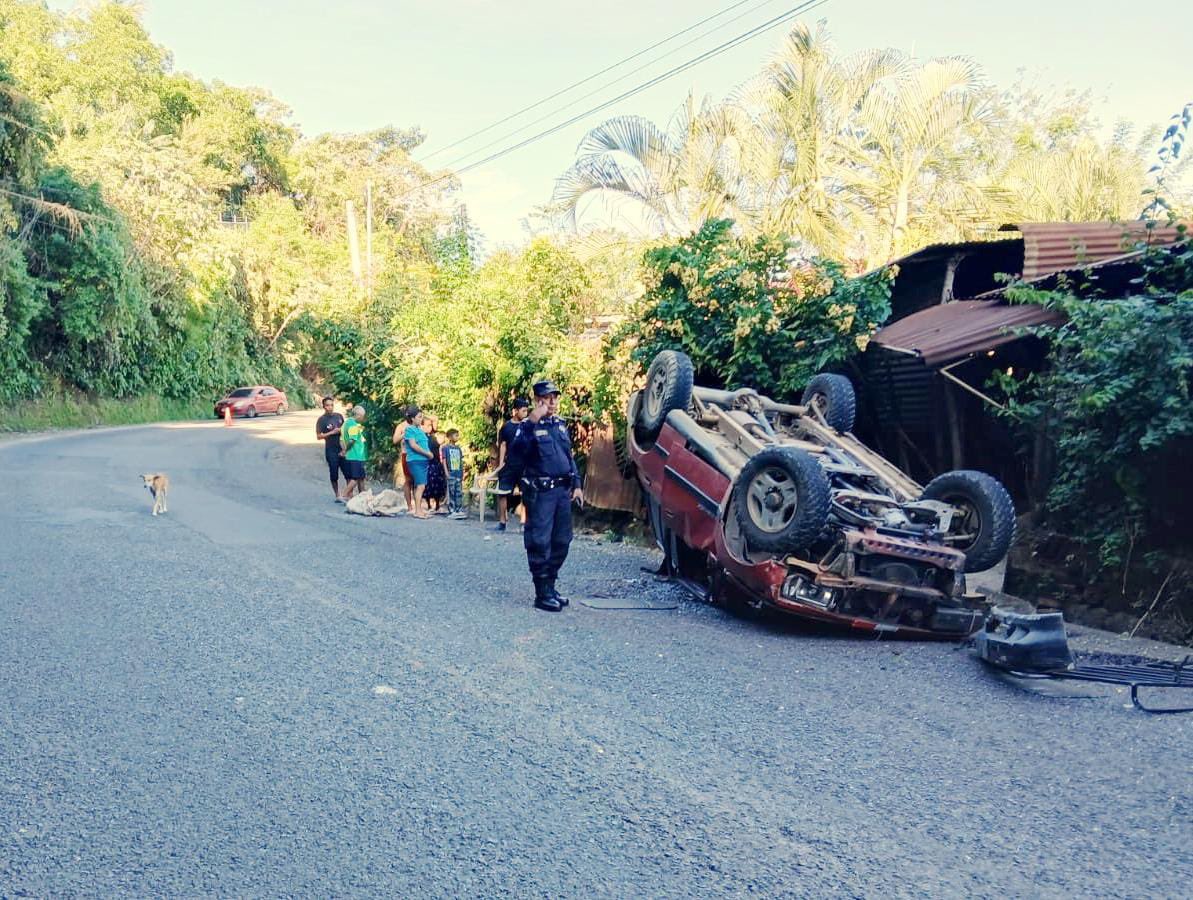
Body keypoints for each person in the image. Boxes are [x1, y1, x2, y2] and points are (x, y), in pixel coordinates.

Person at [505, 380, 583, 612]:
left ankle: (550, 585)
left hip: (562, 492)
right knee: (540, 541)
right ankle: (542, 593)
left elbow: (569, 458)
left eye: (555, 397)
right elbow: (516, 453)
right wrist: (531, 422)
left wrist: (577, 484)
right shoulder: (526, 427)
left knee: (562, 541)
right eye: (548, 398)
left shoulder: (559, 425)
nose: (552, 402)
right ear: (537, 400)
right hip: (541, 493)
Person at [494, 397, 529, 532]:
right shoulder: (506, 427)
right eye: (523, 411)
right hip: (509, 465)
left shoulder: (527, 426)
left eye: (527, 411)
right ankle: (502, 521)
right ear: (515, 411)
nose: (525, 413)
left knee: (525, 493)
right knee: (503, 493)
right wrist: (501, 463)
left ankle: (524, 522)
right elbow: (503, 445)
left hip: (524, 465)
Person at [403, 410, 435, 519]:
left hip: (422, 461)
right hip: (415, 460)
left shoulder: (419, 430)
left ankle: (419, 509)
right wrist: (427, 453)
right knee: (421, 486)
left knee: (420, 485)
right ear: (412, 418)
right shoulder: (409, 429)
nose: (421, 419)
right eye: (419, 417)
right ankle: (417, 511)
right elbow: (413, 445)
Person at [315, 396, 347, 501]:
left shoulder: (339, 416)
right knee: (334, 473)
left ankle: (348, 494)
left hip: (342, 448)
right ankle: (337, 494)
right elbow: (319, 436)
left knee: (348, 472)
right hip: (331, 450)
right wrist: (331, 433)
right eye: (327, 405)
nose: (330, 407)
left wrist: (341, 431)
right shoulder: (321, 420)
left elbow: (345, 429)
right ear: (324, 406)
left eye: (332, 405)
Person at [340, 405, 368, 499]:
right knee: (355, 479)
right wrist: (345, 450)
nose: (363, 419)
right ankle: (343, 495)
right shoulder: (353, 425)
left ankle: (362, 497)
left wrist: (344, 450)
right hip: (356, 455)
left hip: (353, 456)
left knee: (361, 478)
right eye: (363, 416)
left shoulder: (346, 423)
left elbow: (341, 439)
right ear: (359, 415)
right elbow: (352, 440)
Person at [393, 406, 418, 511]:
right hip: (406, 454)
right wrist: (404, 434)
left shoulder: (418, 426)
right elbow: (395, 440)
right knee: (408, 480)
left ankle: (418, 506)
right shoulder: (402, 426)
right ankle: (409, 506)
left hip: (417, 455)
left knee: (418, 481)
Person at [423, 416, 447, 514]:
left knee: (438, 483)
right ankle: (428, 504)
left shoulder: (434, 436)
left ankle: (437, 504)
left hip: (436, 463)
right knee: (427, 484)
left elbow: (435, 419)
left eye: (430, 425)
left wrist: (428, 417)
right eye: (428, 425)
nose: (430, 427)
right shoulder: (421, 436)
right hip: (427, 463)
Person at [442, 428, 466, 519]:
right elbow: (444, 461)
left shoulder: (459, 449)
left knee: (459, 492)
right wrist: (446, 472)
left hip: (458, 473)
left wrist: (462, 472)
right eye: (456, 435)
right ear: (450, 437)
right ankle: (451, 510)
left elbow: (460, 461)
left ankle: (458, 509)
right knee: (451, 491)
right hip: (450, 473)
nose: (458, 437)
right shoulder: (445, 448)